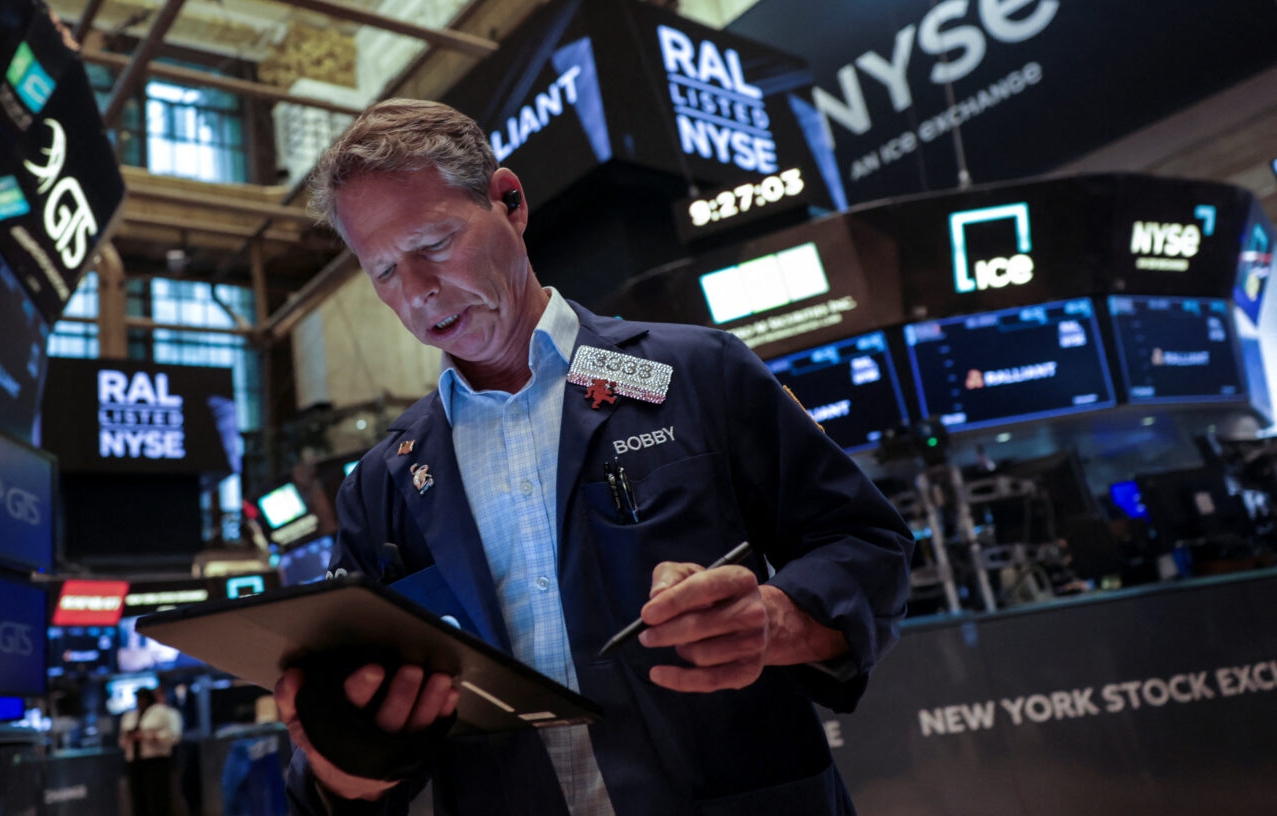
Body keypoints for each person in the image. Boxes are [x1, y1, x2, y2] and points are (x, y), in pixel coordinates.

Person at [276, 99, 913, 815]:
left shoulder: (694, 373)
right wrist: (343, 767)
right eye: (385, 270)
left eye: (435, 243)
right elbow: (345, 738)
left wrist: (778, 617)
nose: (418, 291)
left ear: (509, 202)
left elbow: (866, 542)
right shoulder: (384, 482)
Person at [122, 686, 183, 816]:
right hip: (135, 762)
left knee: (158, 799)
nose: (140, 701)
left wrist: (148, 736)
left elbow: (173, 737)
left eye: (143, 698)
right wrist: (130, 737)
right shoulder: (130, 716)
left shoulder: (162, 712)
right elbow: (122, 741)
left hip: (157, 761)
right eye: (138, 698)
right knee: (138, 799)